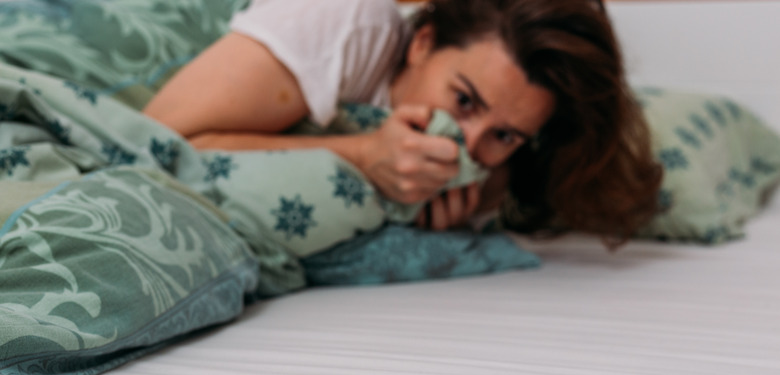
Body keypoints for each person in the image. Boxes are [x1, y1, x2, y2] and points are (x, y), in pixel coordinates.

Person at [144, 0, 662, 247]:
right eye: (463, 100)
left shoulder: (493, 177)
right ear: (422, 43)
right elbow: (154, 140)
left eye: (503, 135)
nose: (467, 142)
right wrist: (363, 156)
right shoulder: (342, 23)